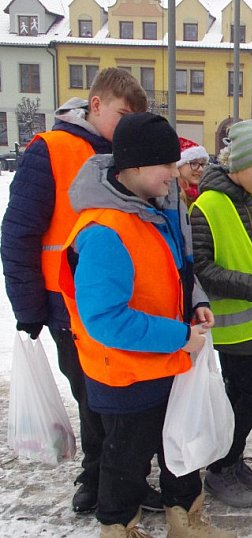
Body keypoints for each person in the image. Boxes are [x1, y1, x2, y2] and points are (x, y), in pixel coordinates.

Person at [59, 112, 230, 537]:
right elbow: (105, 321)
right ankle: (120, 528)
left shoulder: (152, 209)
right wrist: (181, 337)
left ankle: (185, 522)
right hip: (126, 376)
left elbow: (175, 271)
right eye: (167, 165)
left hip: (165, 363)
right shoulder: (104, 230)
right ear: (133, 166)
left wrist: (195, 303)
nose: (175, 174)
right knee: (125, 464)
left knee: (178, 450)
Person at [0, 67, 153, 513]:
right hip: (65, 302)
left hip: (117, 299)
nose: (125, 125)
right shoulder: (52, 149)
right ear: (96, 105)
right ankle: (101, 481)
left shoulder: (124, 154)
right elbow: (19, 233)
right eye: (121, 114)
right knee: (94, 398)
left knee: (115, 395)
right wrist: (28, 308)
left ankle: (114, 479)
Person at [190, 119, 252, 508]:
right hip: (229, 325)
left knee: (240, 396)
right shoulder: (209, 205)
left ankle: (230, 461)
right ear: (237, 166)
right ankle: (219, 468)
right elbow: (203, 269)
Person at [176, 136, 209, 204]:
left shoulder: (206, 191)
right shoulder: (171, 195)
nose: (200, 169)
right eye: (194, 163)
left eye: (202, 164)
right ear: (178, 165)